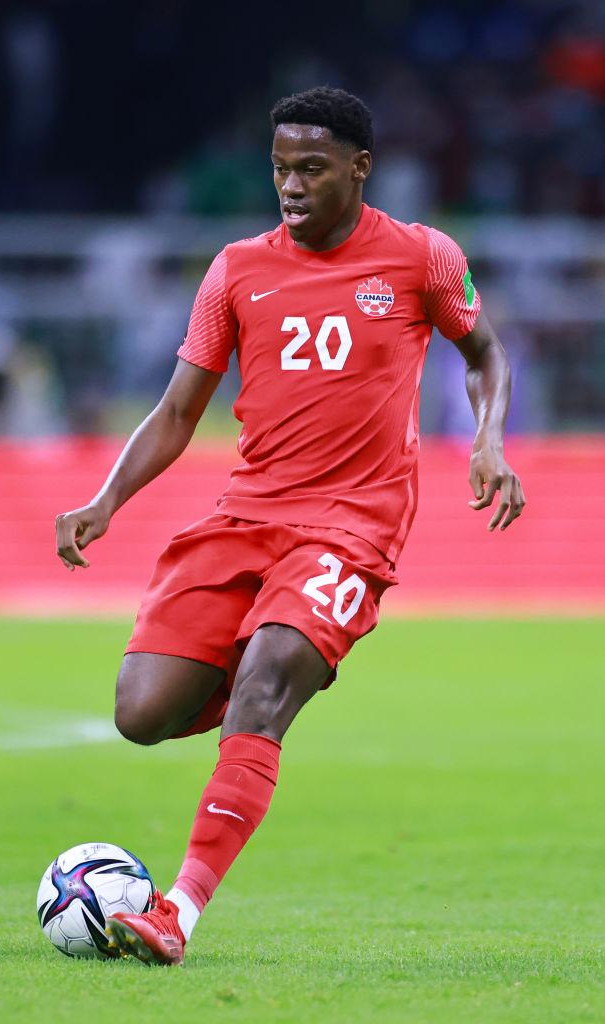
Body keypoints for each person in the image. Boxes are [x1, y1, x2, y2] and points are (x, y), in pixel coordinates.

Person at [55, 86, 525, 966]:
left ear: (359, 167)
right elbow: (177, 410)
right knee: (141, 713)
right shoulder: (235, 270)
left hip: (353, 525)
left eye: (311, 168)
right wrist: (104, 501)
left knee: (266, 687)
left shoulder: (422, 256)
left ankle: (178, 912)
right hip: (246, 514)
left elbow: (484, 353)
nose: (291, 186)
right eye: (279, 169)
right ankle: (259, 677)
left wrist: (488, 441)